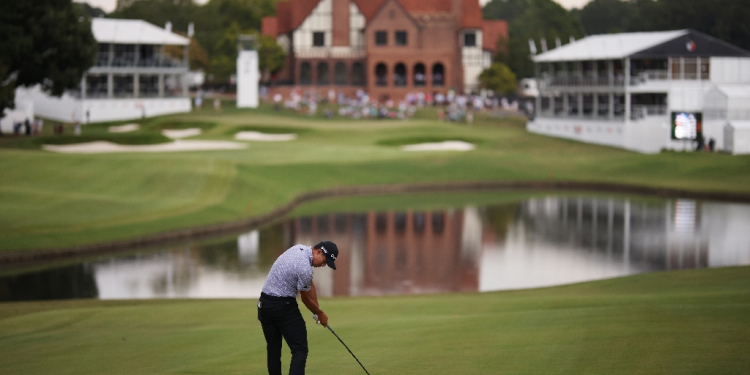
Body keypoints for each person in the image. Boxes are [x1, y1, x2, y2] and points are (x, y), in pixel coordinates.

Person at [258, 241, 339, 375]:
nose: (324, 265)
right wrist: (321, 314)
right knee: (300, 350)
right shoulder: (305, 268)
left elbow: (309, 283)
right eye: (324, 261)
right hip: (282, 307)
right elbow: (305, 299)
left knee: (274, 350)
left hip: (264, 305)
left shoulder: (299, 249)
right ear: (318, 252)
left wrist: (317, 309)